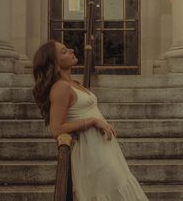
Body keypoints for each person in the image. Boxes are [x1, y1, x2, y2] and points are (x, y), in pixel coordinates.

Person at [32, 40, 149, 201]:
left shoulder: (73, 83)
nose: (72, 50)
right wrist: (93, 122)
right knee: (110, 192)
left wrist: (102, 122)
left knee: (120, 189)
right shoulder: (61, 88)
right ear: (55, 63)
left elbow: (84, 110)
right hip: (91, 152)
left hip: (102, 148)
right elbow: (56, 129)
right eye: (64, 51)